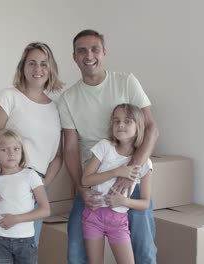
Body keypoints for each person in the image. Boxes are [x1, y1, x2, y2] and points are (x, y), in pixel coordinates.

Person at [58, 29, 159, 264]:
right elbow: (71, 149)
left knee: (144, 251)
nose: (89, 55)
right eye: (82, 50)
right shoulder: (68, 99)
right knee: (75, 253)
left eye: (95, 49)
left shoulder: (126, 81)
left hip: (131, 183)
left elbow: (152, 128)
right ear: (74, 56)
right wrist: (81, 188)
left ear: (104, 52)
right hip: (93, 183)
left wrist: (131, 172)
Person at [0, 42, 64, 264]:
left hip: (32, 192)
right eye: (32, 63)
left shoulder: (55, 108)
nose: (38, 69)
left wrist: (41, 186)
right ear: (23, 67)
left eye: (44, 64)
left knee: (26, 254)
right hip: (3, 188)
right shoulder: (8, 97)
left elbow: (58, 157)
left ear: (51, 68)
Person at [81, 104, 153, 264]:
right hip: (93, 216)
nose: (120, 125)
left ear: (138, 126)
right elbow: (85, 180)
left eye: (127, 121)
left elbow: (145, 203)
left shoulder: (145, 163)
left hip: (118, 220)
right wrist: (116, 172)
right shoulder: (104, 147)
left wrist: (124, 202)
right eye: (116, 121)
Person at [0, 129, 50, 264]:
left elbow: (45, 210)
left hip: (26, 242)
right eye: (4, 150)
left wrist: (16, 219)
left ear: (22, 152)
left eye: (16, 149)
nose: (11, 153)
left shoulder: (30, 176)